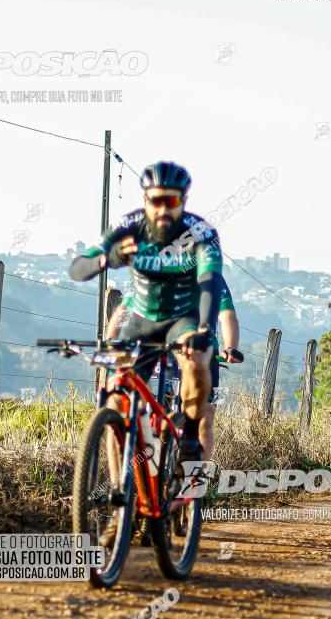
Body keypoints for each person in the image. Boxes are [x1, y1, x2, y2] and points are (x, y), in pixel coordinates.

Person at [70, 160, 223, 465]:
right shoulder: (128, 227)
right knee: (115, 400)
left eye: (172, 201)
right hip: (140, 321)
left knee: (197, 358)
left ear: (183, 201)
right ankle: (118, 495)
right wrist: (109, 258)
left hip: (184, 317)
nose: (164, 209)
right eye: (157, 200)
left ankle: (191, 433)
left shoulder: (200, 233)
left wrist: (204, 329)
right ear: (145, 200)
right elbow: (77, 269)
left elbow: (210, 283)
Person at [107, 277, 243, 461]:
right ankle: (137, 462)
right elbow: (124, 309)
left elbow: (226, 314)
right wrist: (111, 340)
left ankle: (195, 481)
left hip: (199, 347)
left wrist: (230, 347)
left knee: (205, 415)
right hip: (154, 343)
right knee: (129, 395)